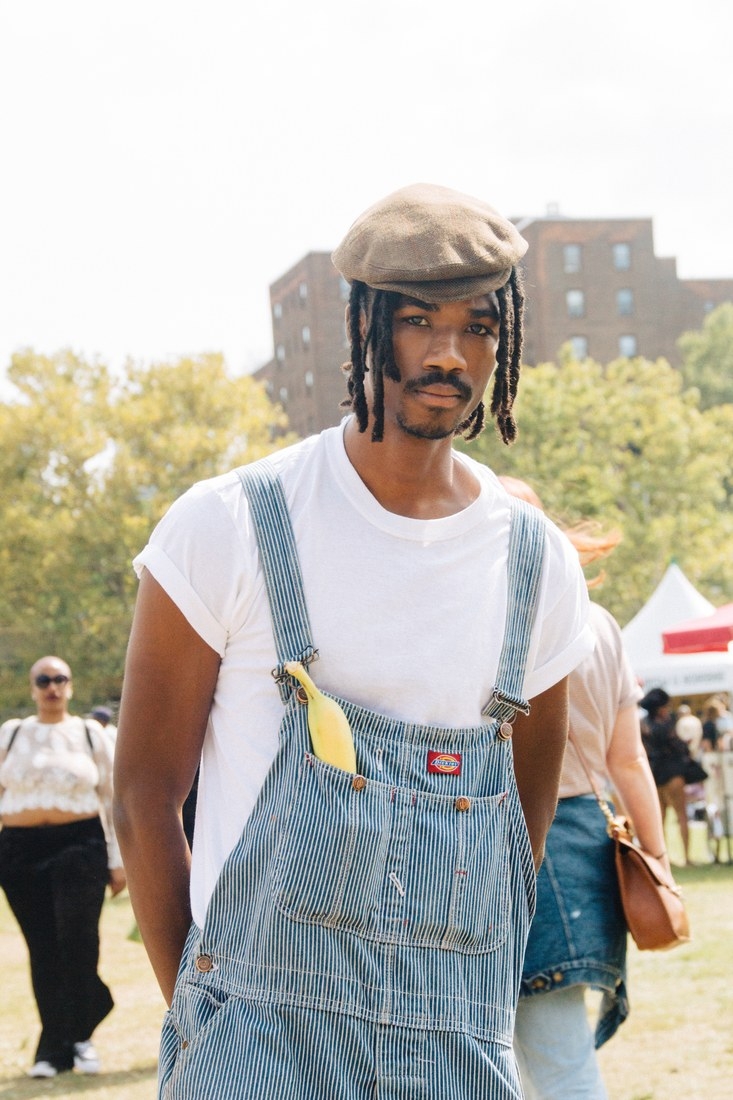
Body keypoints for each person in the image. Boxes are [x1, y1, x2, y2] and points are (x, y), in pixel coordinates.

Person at [114, 182, 593, 1099]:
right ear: (364, 324)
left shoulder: (532, 561)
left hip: (454, 1044)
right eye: (418, 321)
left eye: (480, 328)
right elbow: (144, 794)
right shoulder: (231, 525)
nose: (449, 354)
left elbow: (514, 841)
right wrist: (199, 1015)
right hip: (254, 1040)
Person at [502, 478, 670, 1100]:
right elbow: (628, 761)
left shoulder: (496, 627)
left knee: (543, 1062)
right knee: (545, 1058)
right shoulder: (600, 625)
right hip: (586, 848)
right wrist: (654, 857)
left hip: (514, 840)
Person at [0, 656, 126, 1078]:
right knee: (43, 949)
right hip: (20, 850)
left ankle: (81, 1035)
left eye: (59, 679)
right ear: (32, 687)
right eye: (43, 679)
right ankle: (52, 1049)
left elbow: (112, 798)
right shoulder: (13, 733)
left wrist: (117, 859)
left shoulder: (90, 734)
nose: (51, 686)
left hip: (80, 845)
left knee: (77, 940)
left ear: (70, 686)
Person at [640, 687, 695, 865]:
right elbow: (679, 747)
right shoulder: (668, 724)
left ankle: (663, 860)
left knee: (660, 818)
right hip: (672, 772)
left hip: (654, 773)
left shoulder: (643, 725)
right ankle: (686, 857)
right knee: (681, 815)